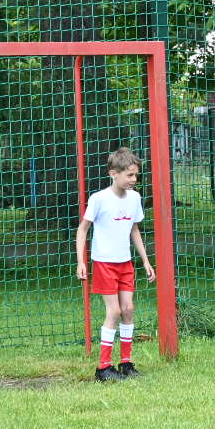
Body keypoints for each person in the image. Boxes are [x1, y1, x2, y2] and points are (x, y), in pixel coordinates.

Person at [75, 147, 157, 382]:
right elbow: (82, 229)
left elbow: (134, 229)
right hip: (104, 263)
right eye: (130, 175)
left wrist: (145, 260)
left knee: (128, 310)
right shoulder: (99, 199)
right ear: (113, 174)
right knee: (114, 312)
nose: (134, 179)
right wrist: (81, 261)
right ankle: (103, 368)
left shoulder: (135, 198)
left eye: (136, 175)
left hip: (125, 263)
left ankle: (126, 363)